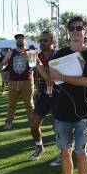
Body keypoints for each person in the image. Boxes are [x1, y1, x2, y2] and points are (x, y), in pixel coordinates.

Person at [49, 16, 87, 174]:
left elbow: (86, 81)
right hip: (62, 111)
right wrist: (38, 67)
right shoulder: (60, 53)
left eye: (79, 28)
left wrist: (62, 76)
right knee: (65, 152)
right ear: (68, 31)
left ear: (85, 31)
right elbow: (51, 76)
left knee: (81, 151)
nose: (76, 31)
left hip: (83, 112)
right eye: (72, 28)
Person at [29, 30, 59, 162]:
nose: (42, 43)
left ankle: (62, 153)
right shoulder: (37, 55)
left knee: (57, 127)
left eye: (45, 40)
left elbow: (53, 77)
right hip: (43, 95)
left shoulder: (59, 56)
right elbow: (37, 74)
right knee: (34, 125)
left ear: (53, 41)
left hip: (58, 94)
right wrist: (36, 89)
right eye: (40, 40)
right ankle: (39, 146)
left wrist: (40, 66)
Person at [1, 34, 35, 130]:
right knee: (11, 104)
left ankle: (33, 122)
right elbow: (4, 63)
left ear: (25, 40)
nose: (19, 40)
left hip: (27, 81)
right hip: (13, 82)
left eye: (21, 38)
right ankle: (9, 122)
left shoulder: (30, 52)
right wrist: (1, 67)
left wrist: (29, 57)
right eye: (17, 39)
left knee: (29, 104)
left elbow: (35, 65)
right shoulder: (11, 52)